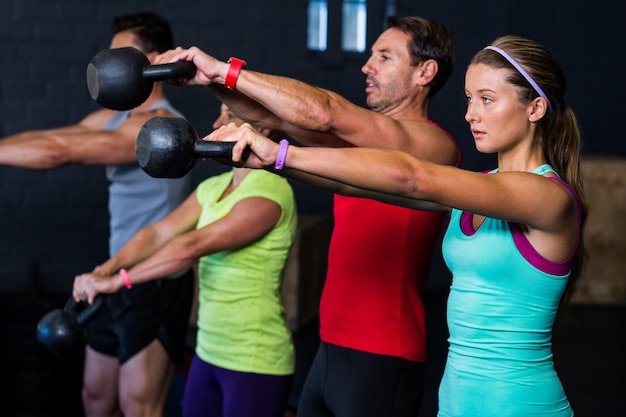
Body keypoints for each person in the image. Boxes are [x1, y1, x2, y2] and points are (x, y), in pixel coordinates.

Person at [207, 35, 587, 417]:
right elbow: (351, 183)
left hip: (522, 405)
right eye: (470, 99)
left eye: (487, 99)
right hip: (456, 401)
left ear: (535, 108)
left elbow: (412, 176)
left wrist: (282, 151)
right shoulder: (474, 195)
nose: (471, 114)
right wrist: (274, 161)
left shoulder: (549, 197)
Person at [156, 15, 459, 417]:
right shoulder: (355, 151)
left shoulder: (433, 144)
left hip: (384, 353)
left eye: (384, 57)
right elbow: (275, 119)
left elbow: (324, 111)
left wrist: (226, 70)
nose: (367, 66)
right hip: (330, 346)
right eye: (370, 56)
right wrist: (207, 80)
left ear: (426, 72)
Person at [0, 12, 194, 417]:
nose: (110, 66)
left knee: (138, 405)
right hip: (112, 272)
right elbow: (60, 136)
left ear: (152, 61)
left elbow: (60, 153)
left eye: (122, 56)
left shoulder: (159, 130)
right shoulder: (117, 117)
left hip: (152, 280)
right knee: (95, 396)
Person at [73, 103, 298, 417]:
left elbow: (191, 246)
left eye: (230, 116)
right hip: (209, 352)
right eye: (218, 112)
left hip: (255, 357)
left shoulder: (272, 191)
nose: (218, 122)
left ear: (263, 129)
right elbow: (157, 234)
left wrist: (119, 281)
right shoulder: (213, 188)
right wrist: (104, 270)